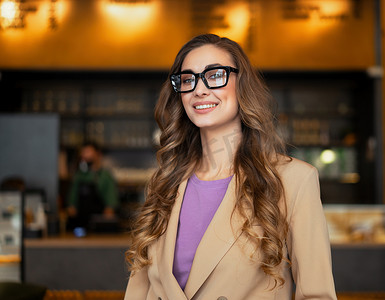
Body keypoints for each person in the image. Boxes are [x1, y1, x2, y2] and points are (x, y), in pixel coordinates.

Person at [125, 34, 337, 300]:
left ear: (242, 85)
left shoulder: (292, 180)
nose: (199, 89)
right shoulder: (164, 182)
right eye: (188, 79)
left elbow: (317, 295)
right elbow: (139, 289)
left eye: (215, 75)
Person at [66, 141, 119, 231]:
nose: (86, 157)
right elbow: (71, 207)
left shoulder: (105, 177)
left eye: (88, 153)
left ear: (98, 155)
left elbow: (110, 208)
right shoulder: (79, 176)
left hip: (99, 227)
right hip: (80, 227)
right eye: (83, 154)